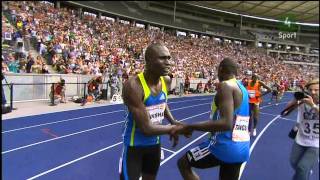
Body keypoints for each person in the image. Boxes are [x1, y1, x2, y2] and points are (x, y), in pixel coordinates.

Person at [175, 57, 251, 180]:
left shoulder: (226, 85)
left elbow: (226, 123)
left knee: (183, 163)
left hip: (223, 146)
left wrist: (190, 126)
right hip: (242, 148)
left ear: (220, 69)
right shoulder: (242, 89)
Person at [119, 43, 185, 180]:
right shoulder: (133, 86)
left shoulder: (166, 80)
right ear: (148, 61)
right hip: (134, 146)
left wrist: (172, 120)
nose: (168, 63)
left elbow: (162, 103)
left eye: (169, 58)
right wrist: (174, 128)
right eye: (163, 58)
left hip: (154, 145)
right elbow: (146, 128)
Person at [284, 78, 319, 180]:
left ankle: (304, 172)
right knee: (294, 163)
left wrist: (312, 105)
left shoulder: (310, 103)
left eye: (316, 90)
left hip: (316, 142)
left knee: (302, 168)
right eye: (311, 90)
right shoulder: (303, 101)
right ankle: (305, 172)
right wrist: (295, 100)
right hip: (301, 138)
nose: (313, 92)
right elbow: (285, 113)